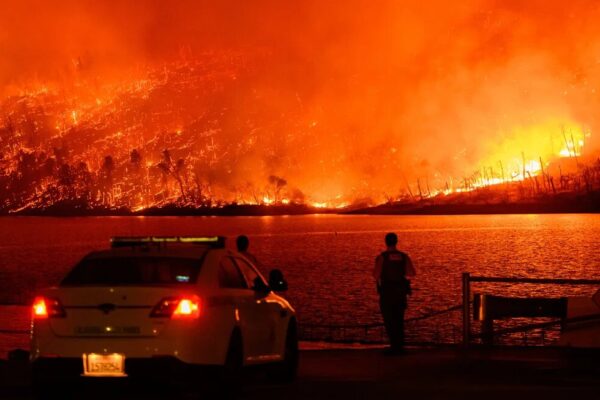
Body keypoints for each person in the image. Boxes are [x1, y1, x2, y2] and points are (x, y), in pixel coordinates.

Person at [373, 232, 416, 354]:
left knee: (389, 319)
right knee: (399, 318)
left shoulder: (382, 257)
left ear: (386, 242)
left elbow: (376, 275)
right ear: (396, 241)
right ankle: (399, 346)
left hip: (387, 292)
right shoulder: (404, 256)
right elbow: (411, 273)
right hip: (400, 293)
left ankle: (394, 346)